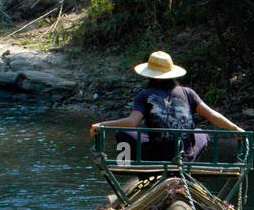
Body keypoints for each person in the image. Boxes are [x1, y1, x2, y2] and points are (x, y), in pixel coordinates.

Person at [89, 50, 243, 163]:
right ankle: (187, 163)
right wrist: (236, 129)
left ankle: (136, 168)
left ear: (149, 75)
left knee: (123, 133)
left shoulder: (144, 95)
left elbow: (132, 123)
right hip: (186, 154)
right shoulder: (188, 93)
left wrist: (102, 125)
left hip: (158, 155)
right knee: (202, 133)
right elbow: (212, 115)